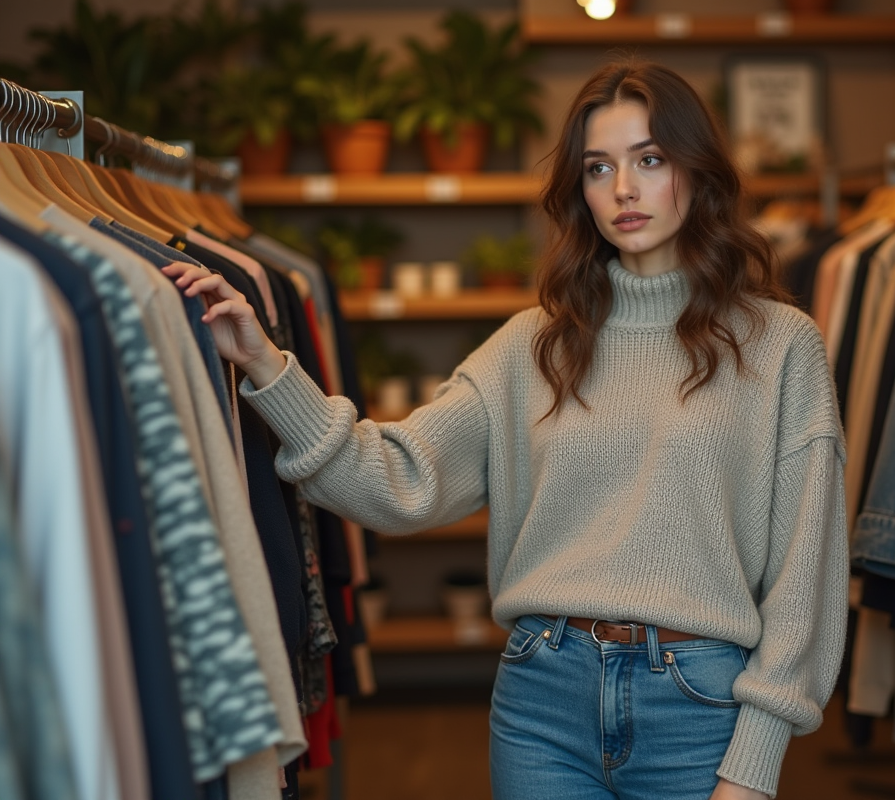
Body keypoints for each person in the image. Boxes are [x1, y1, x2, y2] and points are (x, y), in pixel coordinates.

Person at [165, 59, 848, 800]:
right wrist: (267, 364)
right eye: (598, 168)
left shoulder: (780, 345)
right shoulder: (532, 345)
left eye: (650, 159)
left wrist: (754, 763)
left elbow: (805, 574)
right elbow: (399, 479)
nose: (623, 189)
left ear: (699, 170)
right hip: (541, 703)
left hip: (699, 707)